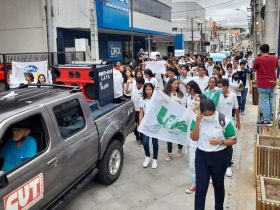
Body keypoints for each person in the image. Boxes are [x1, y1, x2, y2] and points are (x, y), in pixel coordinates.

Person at [190, 99, 237, 210]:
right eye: (205, 115)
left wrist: (220, 142)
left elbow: (233, 140)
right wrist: (197, 122)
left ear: (214, 111)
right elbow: (193, 138)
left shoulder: (223, 119)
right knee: (201, 188)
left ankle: (219, 207)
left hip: (219, 156)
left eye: (210, 114)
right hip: (202, 156)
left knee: (218, 185)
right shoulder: (197, 118)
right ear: (200, 111)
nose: (208, 117)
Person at [217, 79, 240, 177]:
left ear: (226, 86)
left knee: (229, 144)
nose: (219, 88)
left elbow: (236, 108)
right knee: (217, 143)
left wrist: (238, 121)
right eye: (218, 87)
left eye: (221, 86)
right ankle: (217, 164)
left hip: (228, 123)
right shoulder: (216, 94)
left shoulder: (233, 95)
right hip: (217, 122)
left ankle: (228, 166)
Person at [185, 94, 207, 194]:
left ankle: (199, 183)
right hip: (193, 143)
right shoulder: (192, 111)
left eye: (198, 100)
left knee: (202, 165)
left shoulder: (205, 114)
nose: (196, 102)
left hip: (202, 144)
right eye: (195, 100)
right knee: (192, 165)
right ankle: (195, 183)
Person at [253, 44, 278, 125]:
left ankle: (267, 120)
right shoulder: (274, 58)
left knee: (265, 102)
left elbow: (254, 69)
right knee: (271, 100)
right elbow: (276, 66)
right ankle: (270, 118)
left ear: (261, 50)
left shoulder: (258, 59)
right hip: (272, 83)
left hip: (263, 83)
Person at [163, 78, 185, 161]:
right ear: (170, 84)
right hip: (169, 117)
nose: (177, 85)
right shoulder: (166, 94)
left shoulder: (180, 93)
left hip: (179, 117)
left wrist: (180, 103)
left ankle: (180, 149)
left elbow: (184, 104)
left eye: (177, 84)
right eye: (175, 84)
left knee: (179, 134)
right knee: (169, 135)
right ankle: (169, 153)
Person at [139, 83, 158, 169]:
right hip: (146, 124)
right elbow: (141, 112)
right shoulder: (142, 99)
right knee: (145, 142)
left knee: (155, 142)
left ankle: (155, 159)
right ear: (144, 90)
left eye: (150, 89)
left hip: (155, 124)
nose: (148, 91)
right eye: (147, 89)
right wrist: (140, 124)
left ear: (153, 90)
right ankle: (147, 157)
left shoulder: (156, 99)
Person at [131, 77, 145, 146]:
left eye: (139, 84)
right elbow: (127, 92)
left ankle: (141, 140)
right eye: (136, 83)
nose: (137, 85)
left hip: (141, 111)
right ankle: (137, 135)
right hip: (134, 110)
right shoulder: (133, 87)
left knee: (141, 125)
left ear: (142, 84)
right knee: (134, 125)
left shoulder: (144, 91)